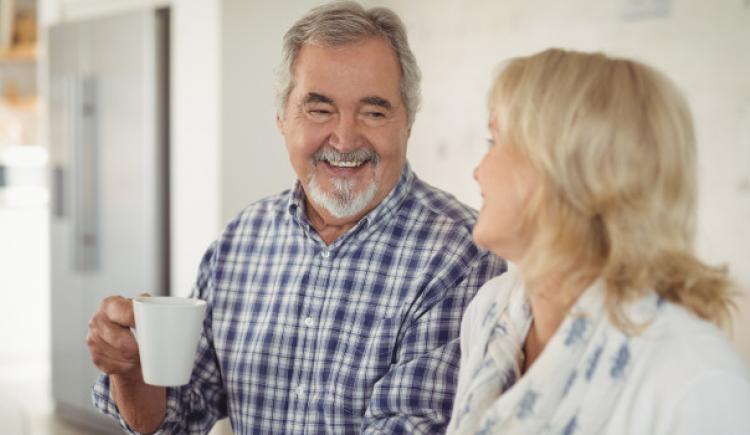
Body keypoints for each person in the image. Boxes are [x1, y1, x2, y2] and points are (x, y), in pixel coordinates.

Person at [86, 2, 504, 434]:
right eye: (319, 109)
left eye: (374, 111)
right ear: (282, 119)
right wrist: (131, 370)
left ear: (408, 125)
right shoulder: (241, 241)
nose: (344, 139)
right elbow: (176, 419)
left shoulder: (463, 255)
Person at [446, 48, 750, 434]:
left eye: (495, 143)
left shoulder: (698, 384)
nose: (478, 171)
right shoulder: (491, 312)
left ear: (561, 168)